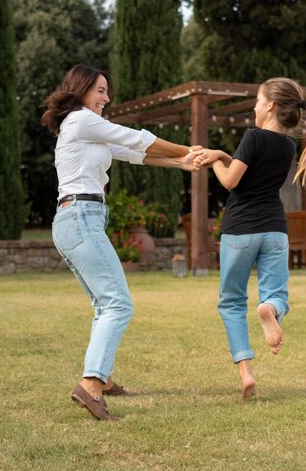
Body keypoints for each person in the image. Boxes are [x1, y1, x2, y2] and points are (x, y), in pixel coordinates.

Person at [41, 63, 201, 421]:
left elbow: (133, 153)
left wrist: (181, 163)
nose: (106, 97)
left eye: (106, 91)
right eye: (100, 90)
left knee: (104, 304)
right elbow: (137, 137)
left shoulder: (85, 129)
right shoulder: (81, 120)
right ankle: (91, 385)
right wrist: (185, 147)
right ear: (80, 90)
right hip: (80, 217)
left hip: (78, 219)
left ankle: (104, 377)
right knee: (118, 304)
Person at [195, 77, 306, 399]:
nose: (254, 106)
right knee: (275, 293)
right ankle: (270, 309)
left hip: (240, 230)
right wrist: (223, 153)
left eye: (257, 100)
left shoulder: (252, 137)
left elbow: (230, 182)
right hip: (274, 230)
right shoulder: (287, 145)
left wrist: (214, 160)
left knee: (232, 302)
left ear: (269, 106)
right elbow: (249, 175)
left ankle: (246, 373)